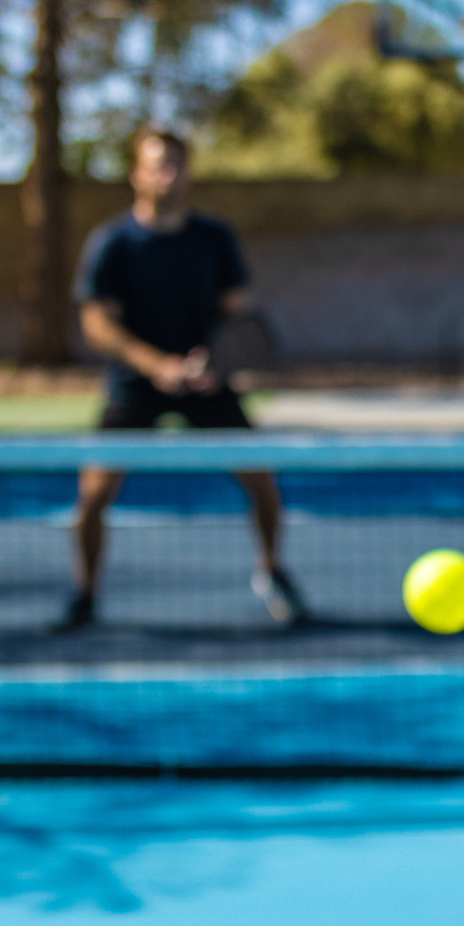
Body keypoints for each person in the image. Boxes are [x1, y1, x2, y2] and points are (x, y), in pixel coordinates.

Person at [61, 125, 304, 631]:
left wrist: (212, 364)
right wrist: (156, 366)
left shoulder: (213, 239)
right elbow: (96, 324)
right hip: (135, 385)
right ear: (136, 174)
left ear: (188, 173)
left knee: (262, 482)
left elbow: (239, 314)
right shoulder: (113, 243)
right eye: (156, 164)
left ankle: (272, 572)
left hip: (206, 385)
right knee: (91, 497)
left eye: (175, 163)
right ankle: (84, 594)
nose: (166, 173)